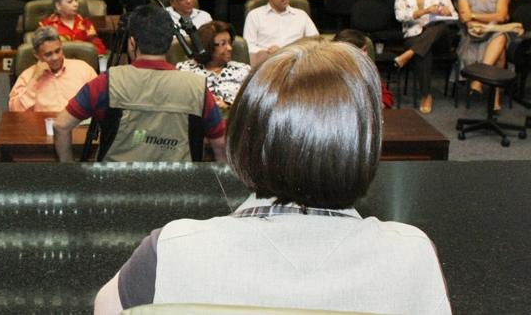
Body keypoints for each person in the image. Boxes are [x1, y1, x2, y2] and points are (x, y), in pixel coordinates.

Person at [96, 37, 451, 314]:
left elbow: (106, 308)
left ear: (245, 135)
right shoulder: (411, 253)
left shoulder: (171, 248)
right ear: (365, 143)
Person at [52, 4, 226, 163]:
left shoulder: (106, 82)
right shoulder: (197, 88)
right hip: (179, 191)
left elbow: (61, 125)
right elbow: (220, 144)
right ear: (169, 44)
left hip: (118, 190)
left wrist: (70, 173)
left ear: (132, 42)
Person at [393, 0, 457, 114]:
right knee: (423, 52)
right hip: (414, 34)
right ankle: (426, 96)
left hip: (439, 38)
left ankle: (408, 54)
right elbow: (400, 16)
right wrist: (425, 11)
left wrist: (447, 13)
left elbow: (455, 16)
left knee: (439, 26)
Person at [456, 0, 512, 111]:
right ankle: (494, 96)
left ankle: (480, 82)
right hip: (472, 37)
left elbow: (501, 16)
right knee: (500, 51)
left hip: (495, 32)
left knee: (500, 38)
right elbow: (467, 22)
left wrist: (474, 15)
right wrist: (487, 19)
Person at [8, 26, 98, 113]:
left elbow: (100, 99)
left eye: (58, 51)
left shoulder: (83, 69)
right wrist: (35, 79)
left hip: (79, 125)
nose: (55, 57)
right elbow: (15, 111)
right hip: (42, 126)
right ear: (36, 54)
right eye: (48, 54)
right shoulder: (27, 77)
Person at [243, 0, 318, 67]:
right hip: (267, 66)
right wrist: (269, 54)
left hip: (297, 65)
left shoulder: (301, 15)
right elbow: (248, 49)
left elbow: (316, 42)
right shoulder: (254, 16)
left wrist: (284, 52)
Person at [175, 21, 250, 110]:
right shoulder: (184, 70)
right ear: (207, 46)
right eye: (223, 44)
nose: (230, 48)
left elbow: (252, 105)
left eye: (230, 42)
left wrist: (228, 105)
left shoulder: (244, 71)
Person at [333, 28, 395, 109]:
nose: (364, 54)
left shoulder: (369, 68)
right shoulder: (331, 72)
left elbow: (385, 95)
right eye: (357, 52)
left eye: (365, 50)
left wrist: (381, 105)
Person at [40, 0, 107, 55]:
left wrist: (83, 47)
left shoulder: (85, 24)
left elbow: (100, 49)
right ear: (58, 6)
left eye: (76, 0)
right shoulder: (47, 26)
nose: (75, 4)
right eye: (70, 2)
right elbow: (41, 52)